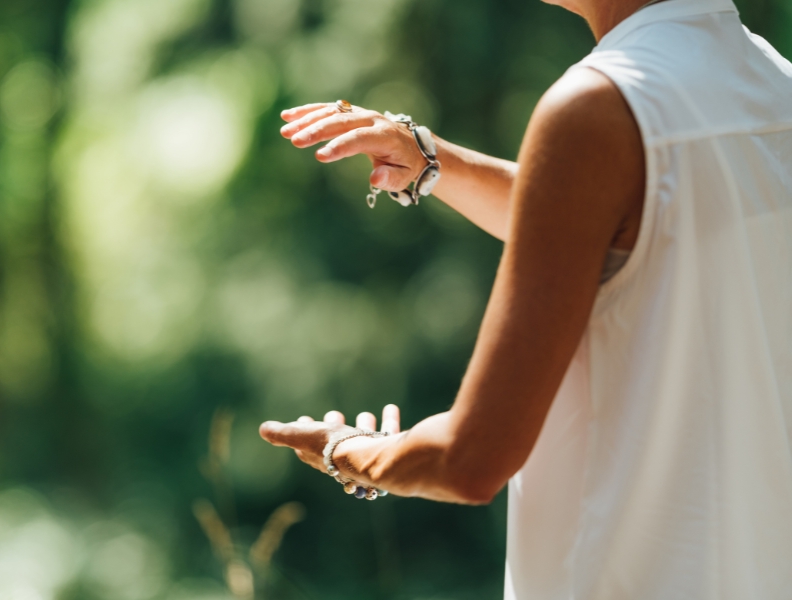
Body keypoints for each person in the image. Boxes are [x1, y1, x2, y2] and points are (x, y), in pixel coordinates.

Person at [259, 0, 792, 597]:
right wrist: (431, 159)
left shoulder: (597, 105)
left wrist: (349, 451)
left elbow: (470, 459)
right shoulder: (772, 83)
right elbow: (631, 225)